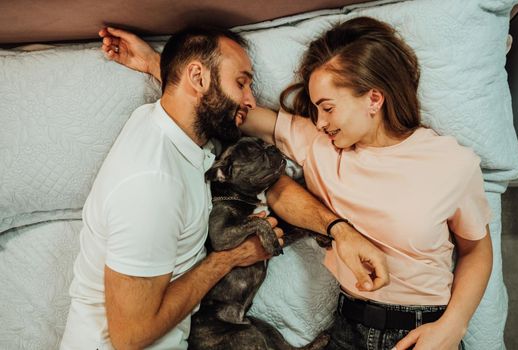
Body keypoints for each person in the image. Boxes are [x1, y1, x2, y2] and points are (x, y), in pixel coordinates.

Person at [105, 16, 494, 350]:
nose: (321, 122)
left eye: (328, 108)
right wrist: (156, 63)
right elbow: (224, 108)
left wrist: (453, 326)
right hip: (348, 331)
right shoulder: (320, 146)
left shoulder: (451, 163)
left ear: (373, 98)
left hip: (425, 331)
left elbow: (476, 250)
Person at [61, 26, 389, 350]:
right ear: (198, 78)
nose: (251, 99)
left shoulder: (179, 130)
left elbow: (271, 183)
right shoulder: (151, 186)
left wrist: (341, 232)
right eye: (241, 82)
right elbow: (130, 337)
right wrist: (228, 259)